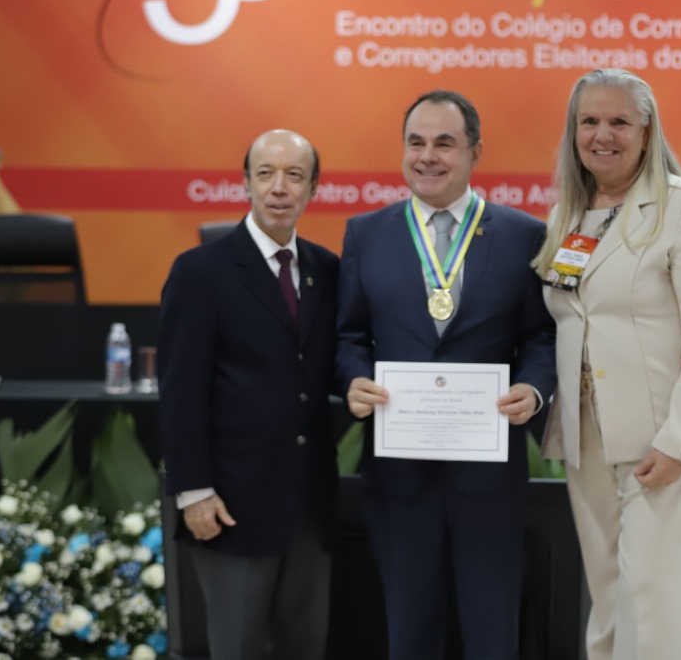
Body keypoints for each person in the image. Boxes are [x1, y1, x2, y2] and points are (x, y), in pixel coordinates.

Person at [339, 90, 556, 660]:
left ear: (474, 152)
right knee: (410, 630)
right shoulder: (366, 233)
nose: (427, 156)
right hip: (398, 474)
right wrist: (353, 379)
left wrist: (533, 389)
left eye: (444, 143)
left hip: (487, 475)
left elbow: (541, 336)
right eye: (416, 142)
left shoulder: (522, 235)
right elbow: (349, 335)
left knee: (491, 631)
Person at [533, 68, 681, 660]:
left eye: (619, 121)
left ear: (647, 132)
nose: (604, 134)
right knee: (608, 604)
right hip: (588, 438)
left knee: (651, 610)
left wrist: (680, 439)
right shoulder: (566, 217)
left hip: (664, 440)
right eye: (589, 121)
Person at [158, 129, 339, 660]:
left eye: (294, 175)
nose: (279, 188)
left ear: (313, 189)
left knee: (306, 646)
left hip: (311, 504)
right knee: (237, 647)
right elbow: (179, 390)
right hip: (230, 506)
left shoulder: (327, 270)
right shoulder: (200, 272)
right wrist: (193, 491)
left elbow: (328, 366)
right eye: (266, 174)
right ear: (245, 184)